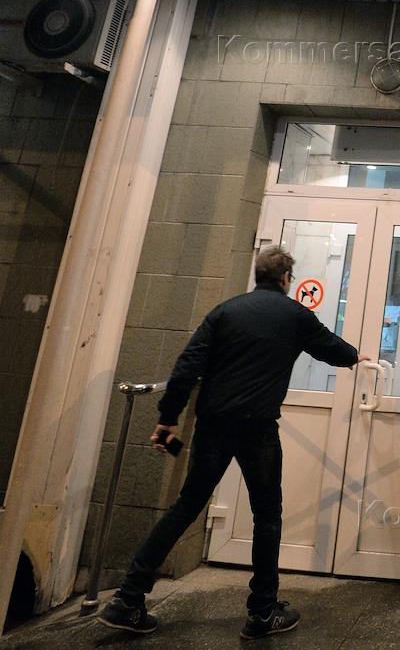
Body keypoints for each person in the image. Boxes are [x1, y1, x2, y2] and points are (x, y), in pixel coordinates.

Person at [99, 246, 368, 638]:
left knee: (186, 506)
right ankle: (262, 612)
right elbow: (332, 349)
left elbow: (186, 366)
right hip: (257, 428)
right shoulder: (294, 315)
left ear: (258, 275)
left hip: (213, 425)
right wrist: (357, 357)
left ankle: (128, 598)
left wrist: (167, 419)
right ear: (286, 278)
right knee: (267, 515)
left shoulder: (225, 312)